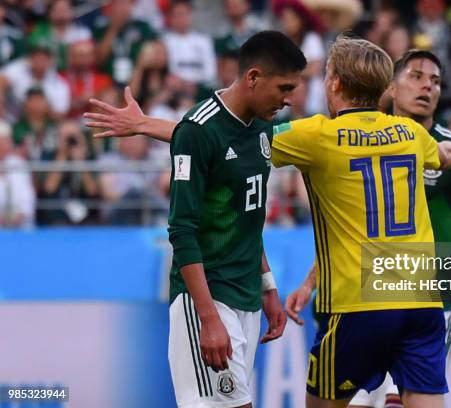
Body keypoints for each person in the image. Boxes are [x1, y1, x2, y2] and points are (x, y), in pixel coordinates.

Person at [84, 34, 451, 408]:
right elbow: (447, 156)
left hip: (358, 304)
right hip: (423, 303)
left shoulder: (318, 135)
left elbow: (226, 140)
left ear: (334, 83)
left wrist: (146, 124)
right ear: (385, 89)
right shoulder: (409, 133)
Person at [87, 30, 306, 408]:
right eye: (284, 87)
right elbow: (182, 230)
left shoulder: (261, 128)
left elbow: (248, 220)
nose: (289, 99)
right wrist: (207, 317)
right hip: (208, 296)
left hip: (246, 296)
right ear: (253, 77)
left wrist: (268, 286)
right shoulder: (199, 128)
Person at [343, 50, 451, 408]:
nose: (427, 86)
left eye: (435, 81)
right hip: (370, 294)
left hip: (432, 302)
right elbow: (348, 223)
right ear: (391, 89)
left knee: (399, 401)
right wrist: (311, 281)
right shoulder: (367, 142)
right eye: (416, 76)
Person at [0, 120, 35, 228]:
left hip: (20, 226)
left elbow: (28, 198)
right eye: (5, 141)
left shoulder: (19, 163)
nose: (9, 144)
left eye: (9, 140)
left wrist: (19, 216)